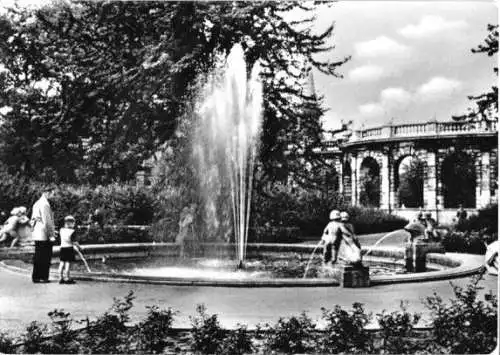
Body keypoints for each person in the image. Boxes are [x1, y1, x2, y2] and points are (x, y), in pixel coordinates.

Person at [31, 186, 57, 283]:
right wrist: (51, 235)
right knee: (45, 256)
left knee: (38, 255)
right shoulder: (45, 204)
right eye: (53, 194)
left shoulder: (37, 203)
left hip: (37, 232)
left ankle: (36, 276)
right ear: (47, 192)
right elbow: (47, 221)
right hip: (44, 233)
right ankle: (43, 277)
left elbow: (33, 219)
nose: (53, 196)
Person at [58, 215, 82, 284]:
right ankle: (67, 278)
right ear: (71, 223)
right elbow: (74, 242)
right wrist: (79, 247)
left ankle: (60, 277)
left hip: (62, 248)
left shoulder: (61, 230)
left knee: (62, 263)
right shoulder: (72, 231)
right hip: (69, 249)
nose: (74, 224)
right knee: (68, 263)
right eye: (73, 223)